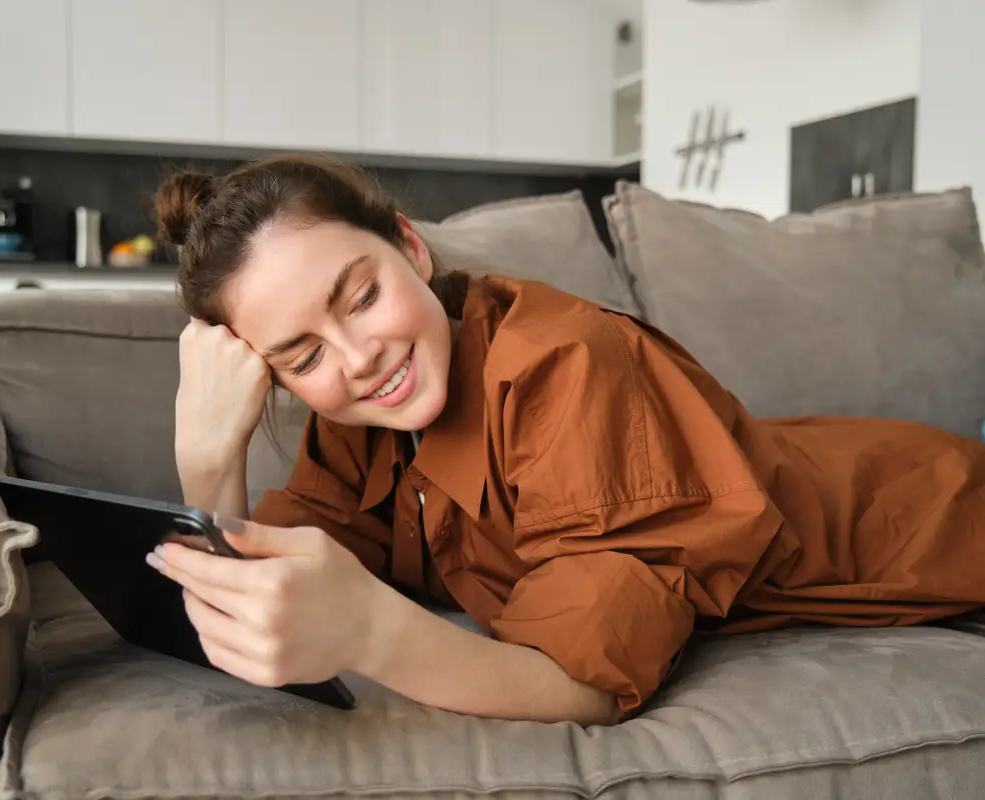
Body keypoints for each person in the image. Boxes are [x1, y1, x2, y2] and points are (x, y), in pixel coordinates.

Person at [144, 154, 985, 727]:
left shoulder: (566, 366)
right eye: (304, 354)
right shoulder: (356, 418)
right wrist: (208, 455)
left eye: (360, 298)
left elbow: (586, 682)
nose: (359, 359)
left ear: (408, 245)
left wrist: (370, 632)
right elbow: (252, 612)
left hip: (931, 512)